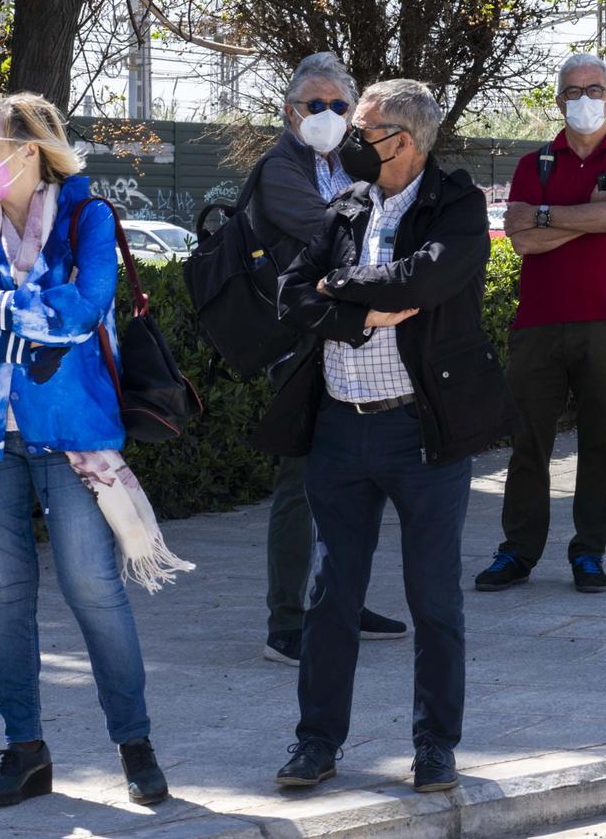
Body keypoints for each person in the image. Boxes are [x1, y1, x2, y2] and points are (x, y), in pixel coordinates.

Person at [0, 93, 176, 807]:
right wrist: (20, 319)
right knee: (4, 599)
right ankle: (25, 752)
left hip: (69, 433)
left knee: (93, 587)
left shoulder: (87, 218)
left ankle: (135, 742)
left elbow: (85, 306)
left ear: (31, 150)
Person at [261, 79, 508, 796]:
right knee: (330, 596)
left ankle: (434, 747)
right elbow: (293, 293)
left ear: (404, 139)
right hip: (340, 427)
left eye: (363, 128)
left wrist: (344, 286)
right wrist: (362, 311)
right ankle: (316, 743)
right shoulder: (346, 204)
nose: (350, 138)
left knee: (434, 599)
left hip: (419, 429)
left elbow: (426, 277)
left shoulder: (455, 204)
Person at [249, 53, 407, 666]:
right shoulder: (278, 168)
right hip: (298, 340)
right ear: (291, 111)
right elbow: (334, 239)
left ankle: (340, 598)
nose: (328, 116)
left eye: (340, 107)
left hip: (346, 338)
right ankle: (286, 621)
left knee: (350, 480)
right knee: (299, 483)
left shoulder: (350, 161)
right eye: (315, 105)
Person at [481, 53, 606, 595]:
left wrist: (550, 214)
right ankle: (518, 552)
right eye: (573, 91)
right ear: (558, 101)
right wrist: (583, 216)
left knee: (598, 440)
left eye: (595, 90)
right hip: (537, 323)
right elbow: (524, 238)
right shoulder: (535, 164)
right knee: (527, 441)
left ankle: (589, 553)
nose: (585, 100)